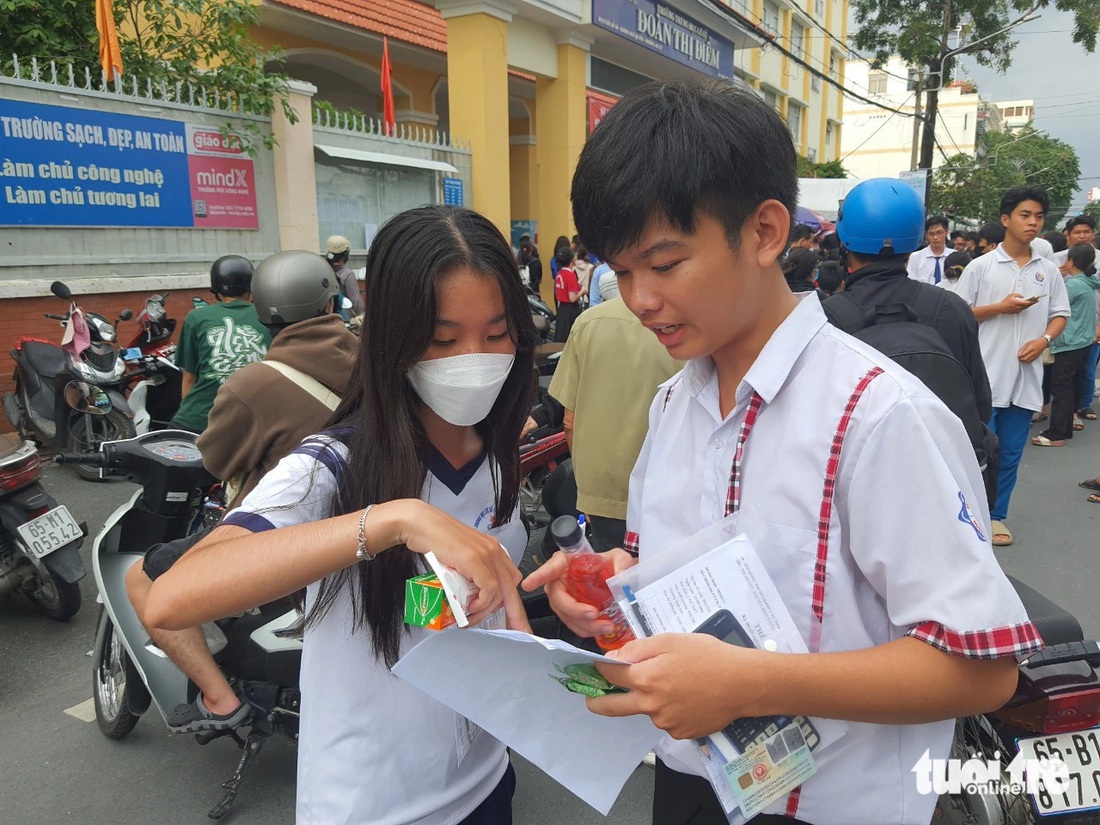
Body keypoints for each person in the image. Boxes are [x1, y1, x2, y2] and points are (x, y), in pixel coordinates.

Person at [526, 78, 1037, 825]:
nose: (638, 298)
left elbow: (982, 668)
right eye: (622, 268)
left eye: (664, 264)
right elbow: (664, 565)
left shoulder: (876, 415)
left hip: (830, 807)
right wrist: (612, 586)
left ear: (765, 233)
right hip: (693, 781)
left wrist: (752, 683)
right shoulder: (674, 404)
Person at [145, 205, 535, 824]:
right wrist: (388, 521)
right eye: (442, 339)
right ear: (393, 339)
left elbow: (433, 607)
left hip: (486, 779)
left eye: (496, 333)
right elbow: (173, 599)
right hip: (375, 804)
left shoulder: (497, 450)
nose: (474, 358)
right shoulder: (331, 466)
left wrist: (537, 592)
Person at [126, 249, 358, 733]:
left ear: (263, 310)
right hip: (361, 527)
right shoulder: (369, 363)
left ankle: (219, 698)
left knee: (142, 581)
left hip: (281, 536)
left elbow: (214, 460)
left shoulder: (253, 385)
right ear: (331, 299)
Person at [954, 186, 1069, 547]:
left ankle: (996, 516)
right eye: (1025, 215)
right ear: (1005, 220)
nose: (1033, 222)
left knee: (1011, 452)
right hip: (987, 377)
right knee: (977, 451)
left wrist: (1044, 341)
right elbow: (959, 315)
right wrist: (998, 308)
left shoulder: (1047, 270)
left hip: (1027, 379)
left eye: (1038, 216)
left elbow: (1060, 315)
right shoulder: (981, 266)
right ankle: (966, 514)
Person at [828, 180, 991, 424]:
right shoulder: (953, 308)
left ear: (843, 240)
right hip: (940, 457)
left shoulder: (823, 318)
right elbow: (981, 406)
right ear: (916, 239)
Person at [548, 297, 681, 551]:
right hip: (669, 495)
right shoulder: (689, 324)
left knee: (613, 580)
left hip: (604, 495)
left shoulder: (588, 322)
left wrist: (588, 492)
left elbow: (569, 422)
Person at [171, 256, 271, 434]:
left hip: (200, 420)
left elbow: (189, 377)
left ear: (216, 288)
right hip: (256, 420)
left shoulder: (196, 317)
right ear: (252, 286)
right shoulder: (268, 317)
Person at [1033, 243, 1100, 446]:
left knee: (1060, 387)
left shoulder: (1072, 285)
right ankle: (1063, 428)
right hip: (1084, 342)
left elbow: (1050, 304)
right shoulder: (1089, 282)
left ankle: (1057, 434)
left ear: (1070, 261)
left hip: (1069, 342)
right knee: (1070, 385)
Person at [1054, 216, 1099, 418]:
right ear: (1068, 235)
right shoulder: (1058, 259)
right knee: (1064, 374)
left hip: (1091, 325)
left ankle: (1082, 406)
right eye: (1077, 232)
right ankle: (1066, 412)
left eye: (1086, 231)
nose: (1082, 236)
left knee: (1086, 372)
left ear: (1093, 233)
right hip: (1062, 330)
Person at [324, 235, 366, 317]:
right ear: (346, 255)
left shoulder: (322, 268)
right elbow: (356, 301)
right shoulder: (347, 274)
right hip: (341, 320)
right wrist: (364, 317)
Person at [906, 215, 950, 284]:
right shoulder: (916, 257)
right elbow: (911, 283)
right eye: (931, 234)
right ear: (926, 235)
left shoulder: (954, 256)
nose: (935, 237)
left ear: (947, 232)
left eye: (939, 233)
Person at [553, 245, 582, 342]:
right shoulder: (570, 275)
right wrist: (583, 291)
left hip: (561, 309)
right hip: (571, 310)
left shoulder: (559, 273)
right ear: (572, 259)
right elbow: (572, 298)